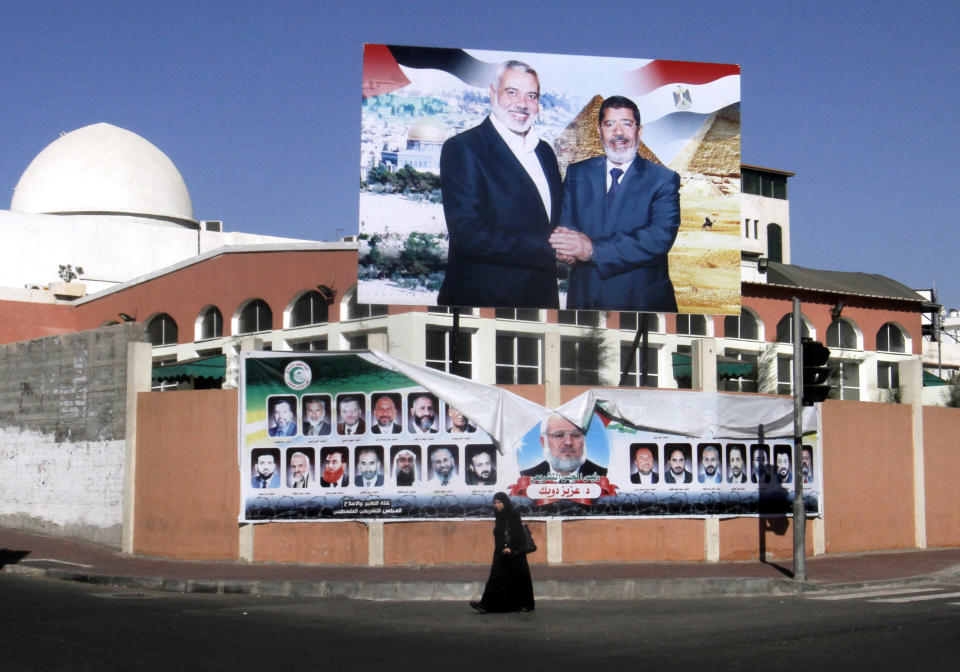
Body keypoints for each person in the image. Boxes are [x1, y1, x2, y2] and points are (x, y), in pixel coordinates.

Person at [437, 59, 563, 309]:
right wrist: (551, 248)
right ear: (492, 93)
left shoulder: (545, 152)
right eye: (512, 92)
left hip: (542, 304)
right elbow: (468, 234)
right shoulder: (464, 148)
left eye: (531, 96)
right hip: (482, 306)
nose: (522, 104)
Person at [550, 95, 681, 312]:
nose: (618, 132)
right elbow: (566, 225)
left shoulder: (663, 179)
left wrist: (593, 250)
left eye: (626, 124)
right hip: (585, 300)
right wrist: (566, 251)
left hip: (641, 303)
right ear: (599, 130)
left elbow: (658, 237)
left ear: (639, 131)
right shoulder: (577, 173)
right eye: (610, 124)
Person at [470, 492, 535, 614]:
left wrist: (510, 547)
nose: (497, 505)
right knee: (495, 578)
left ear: (505, 502)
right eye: (495, 503)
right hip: (501, 552)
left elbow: (518, 533)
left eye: (499, 502)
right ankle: (486, 605)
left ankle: (527, 605)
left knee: (520, 578)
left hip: (514, 553)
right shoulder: (499, 515)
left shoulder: (513, 514)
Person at [520, 413, 606, 478]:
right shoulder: (527, 477)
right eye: (559, 435)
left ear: (584, 439)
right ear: (543, 442)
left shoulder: (603, 476)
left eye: (576, 435)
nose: (568, 442)